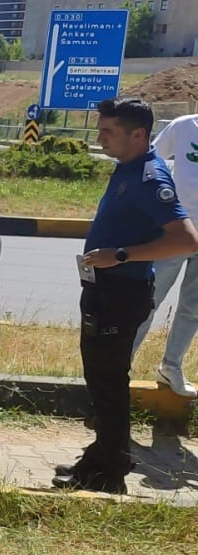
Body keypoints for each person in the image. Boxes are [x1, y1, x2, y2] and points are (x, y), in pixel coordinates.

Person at [55, 98, 198, 494]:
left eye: (108, 131)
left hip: (123, 293)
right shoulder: (127, 169)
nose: (99, 137)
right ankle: (102, 457)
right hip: (104, 292)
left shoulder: (151, 178)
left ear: (138, 135)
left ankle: (110, 471)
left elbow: (185, 239)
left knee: (109, 381)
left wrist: (119, 256)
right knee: (100, 378)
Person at [131, 113, 198, 396]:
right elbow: (149, 161)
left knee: (193, 308)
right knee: (148, 300)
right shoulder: (184, 126)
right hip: (174, 231)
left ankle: (171, 366)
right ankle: (120, 364)